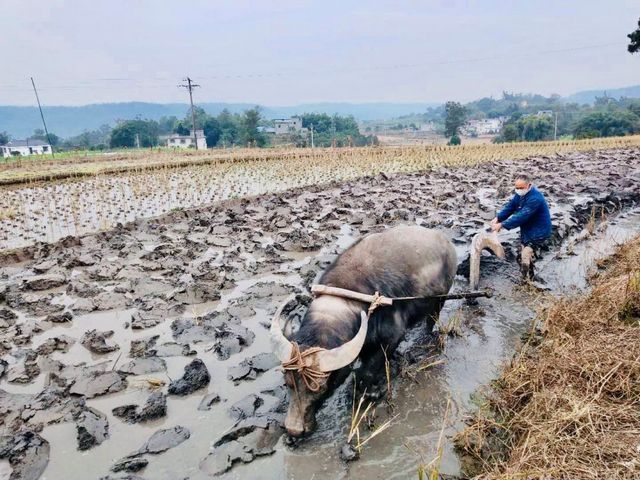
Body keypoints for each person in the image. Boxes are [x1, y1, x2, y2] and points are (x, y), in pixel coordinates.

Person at [491, 174, 552, 279]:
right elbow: (511, 206)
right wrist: (498, 218)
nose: (518, 190)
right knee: (522, 257)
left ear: (529, 185)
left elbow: (521, 216)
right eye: (517, 188)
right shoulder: (520, 195)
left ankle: (526, 281)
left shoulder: (535, 198)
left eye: (521, 188)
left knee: (524, 255)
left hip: (539, 231)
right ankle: (531, 275)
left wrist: (502, 225)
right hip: (528, 230)